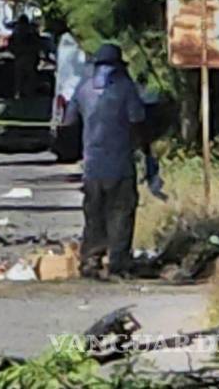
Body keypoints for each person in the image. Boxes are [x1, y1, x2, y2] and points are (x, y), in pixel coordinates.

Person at [62, 43, 158, 279]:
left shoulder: (83, 89)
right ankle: (118, 262)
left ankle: (91, 261)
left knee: (94, 214)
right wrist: (146, 152)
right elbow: (138, 122)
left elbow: (68, 122)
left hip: (93, 166)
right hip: (120, 164)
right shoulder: (126, 89)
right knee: (121, 213)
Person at [7, 15, 42, 98]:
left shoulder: (16, 31)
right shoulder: (32, 31)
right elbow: (38, 45)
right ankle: (29, 95)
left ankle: (18, 94)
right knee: (30, 77)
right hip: (30, 58)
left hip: (20, 57)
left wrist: (16, 52)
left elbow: (11, 46)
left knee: (19, 78)